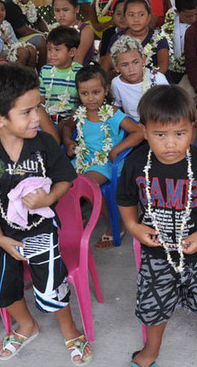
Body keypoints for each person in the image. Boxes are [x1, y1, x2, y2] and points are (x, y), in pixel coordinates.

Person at [0, 64, 92, 364]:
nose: (37, 118)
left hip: (42, 229)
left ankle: (69, 329)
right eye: (27, 112)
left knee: (51, 280)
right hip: (4, 233)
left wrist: (49, 197)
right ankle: (26, 325)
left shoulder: (44, 144)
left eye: (38, 108)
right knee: (0, 279)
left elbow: (65, 179)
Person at [116, 85, 197, 367]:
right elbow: (125, 199)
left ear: (192, 128)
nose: (171, 144)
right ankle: (151, 350)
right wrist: (133, 226)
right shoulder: (137, 162)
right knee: (153, 304)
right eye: (160, 135)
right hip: (156, 254)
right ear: (144, 130)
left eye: (180, 134)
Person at [61, 64, 143, 250]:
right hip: (82, 159)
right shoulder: (80, 113)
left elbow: (138, 132)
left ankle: (115, 226)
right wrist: (68, 142)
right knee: (61, 181)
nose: (90, 99)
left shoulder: (112, 113)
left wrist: (118, 149)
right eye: (85, 94)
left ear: (106, 90)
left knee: (87, 184)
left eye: (96, 92)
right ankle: (76, 217)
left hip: (106, 162)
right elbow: (67, 126)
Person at [109, 35, 168, 121]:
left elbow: (169, 106)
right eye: (125, 65)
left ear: (143, 60)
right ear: (116, 67)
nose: (131, 69)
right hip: (133, 125)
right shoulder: (116, 83)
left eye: (135, 62)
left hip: (158, 122)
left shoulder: (157, 78)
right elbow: (115, 108)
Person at [109, 0, 170, 74]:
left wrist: (150, 81)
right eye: (131, 15)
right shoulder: (117, 38)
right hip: (127, 81)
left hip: (155, 81)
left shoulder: (158, 37)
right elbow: (109, 63)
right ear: (124, 18)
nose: (136, 19)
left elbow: (163, 65)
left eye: (141, 15)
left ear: (149, 17)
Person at [40, 26, 82, 122]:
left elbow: (82, 103)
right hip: (48, 119)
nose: (52, 54)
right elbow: (41, 99)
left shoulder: (79, 72)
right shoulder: (45, 70)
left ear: (71, 52)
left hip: (71, 120)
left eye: (57, 49)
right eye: (49, 49)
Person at [4, 0, 49, 65]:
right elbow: (22, 30)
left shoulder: (29, 4)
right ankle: (41, 71)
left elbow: (39, 21)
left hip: (29, 35)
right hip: (16, 39)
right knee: (42, 40)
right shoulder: (10, 5)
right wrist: (43, 34)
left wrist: (49, 33)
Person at [0, 0, 36, 68]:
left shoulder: (7, 24)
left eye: (3, 10)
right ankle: (15, 76)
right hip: (1, 51)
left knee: (32, 49)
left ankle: (30, 76)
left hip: (11, 46)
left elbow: (14, 39)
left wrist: (17, 46)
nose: (0, 12)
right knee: (23, 52)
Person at [52, 0, 95, 66]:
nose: (61, 14)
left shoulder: (86, 30)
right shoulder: (55, 31)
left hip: (81, 73)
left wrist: (69, 77)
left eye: (65, 10)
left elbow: (79, 58)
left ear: (76, 9)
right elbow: (50, 59)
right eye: (57, 10)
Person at [164, 0, 197, 85]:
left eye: (195, 14)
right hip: (172, 70)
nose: (193, 19)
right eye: (188, 16)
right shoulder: (168, 25)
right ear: (177, 12)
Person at [99, 0, 129, 80]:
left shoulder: (137, 34)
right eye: (119, 14)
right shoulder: (108, 33)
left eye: (126, 14)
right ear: (113, 16)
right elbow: (103, 59)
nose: (123, 18)